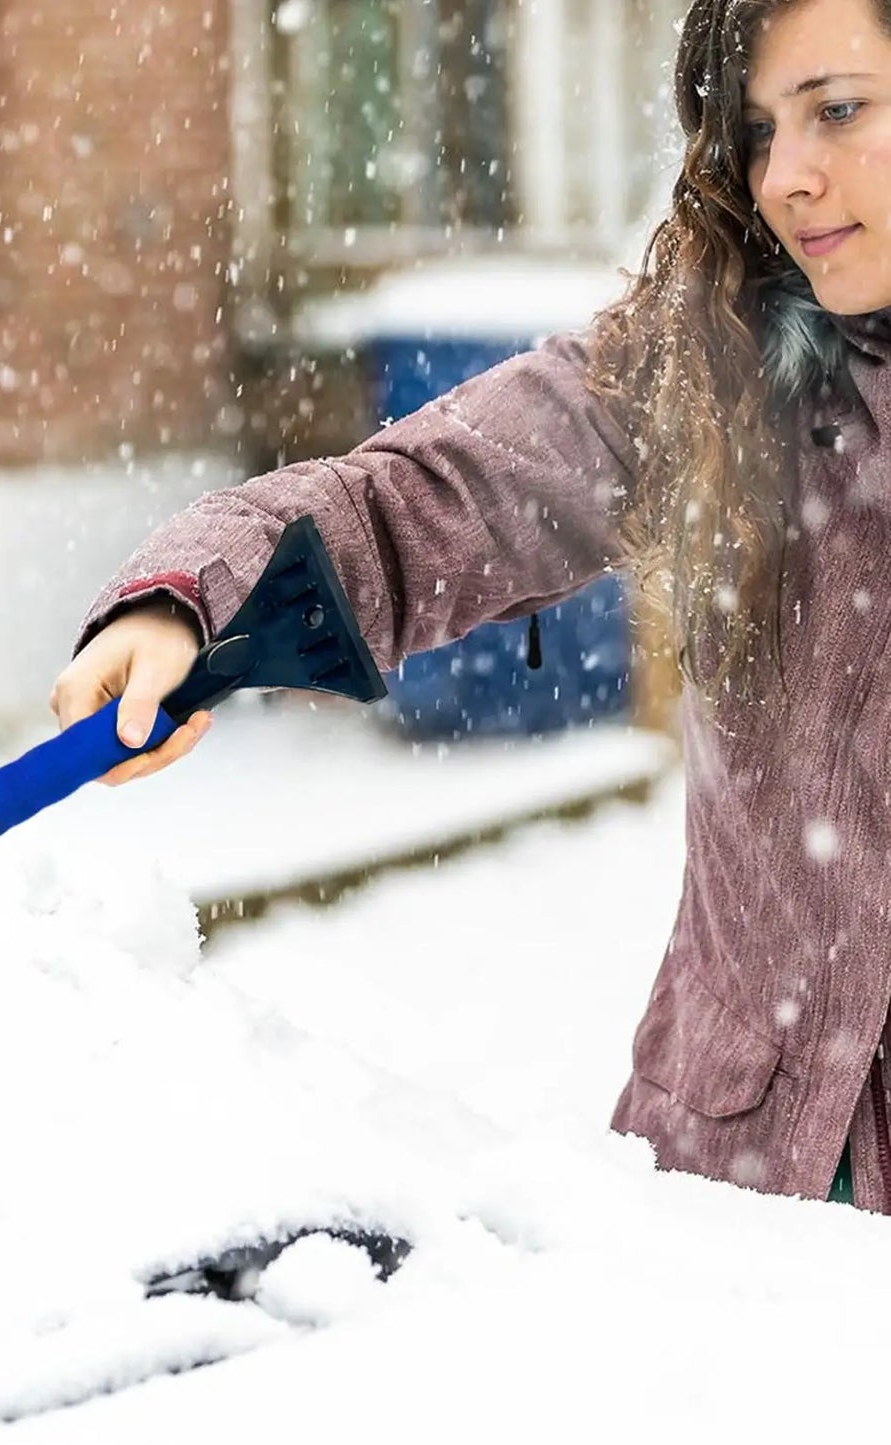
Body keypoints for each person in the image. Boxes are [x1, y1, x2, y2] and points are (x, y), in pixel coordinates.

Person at [49, 0, 891, 1212]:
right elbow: (417, 498)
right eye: (756, 132)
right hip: (731, 1199)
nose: (787, 179)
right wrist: (187, 603)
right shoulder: (713, 363)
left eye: (838, 110)